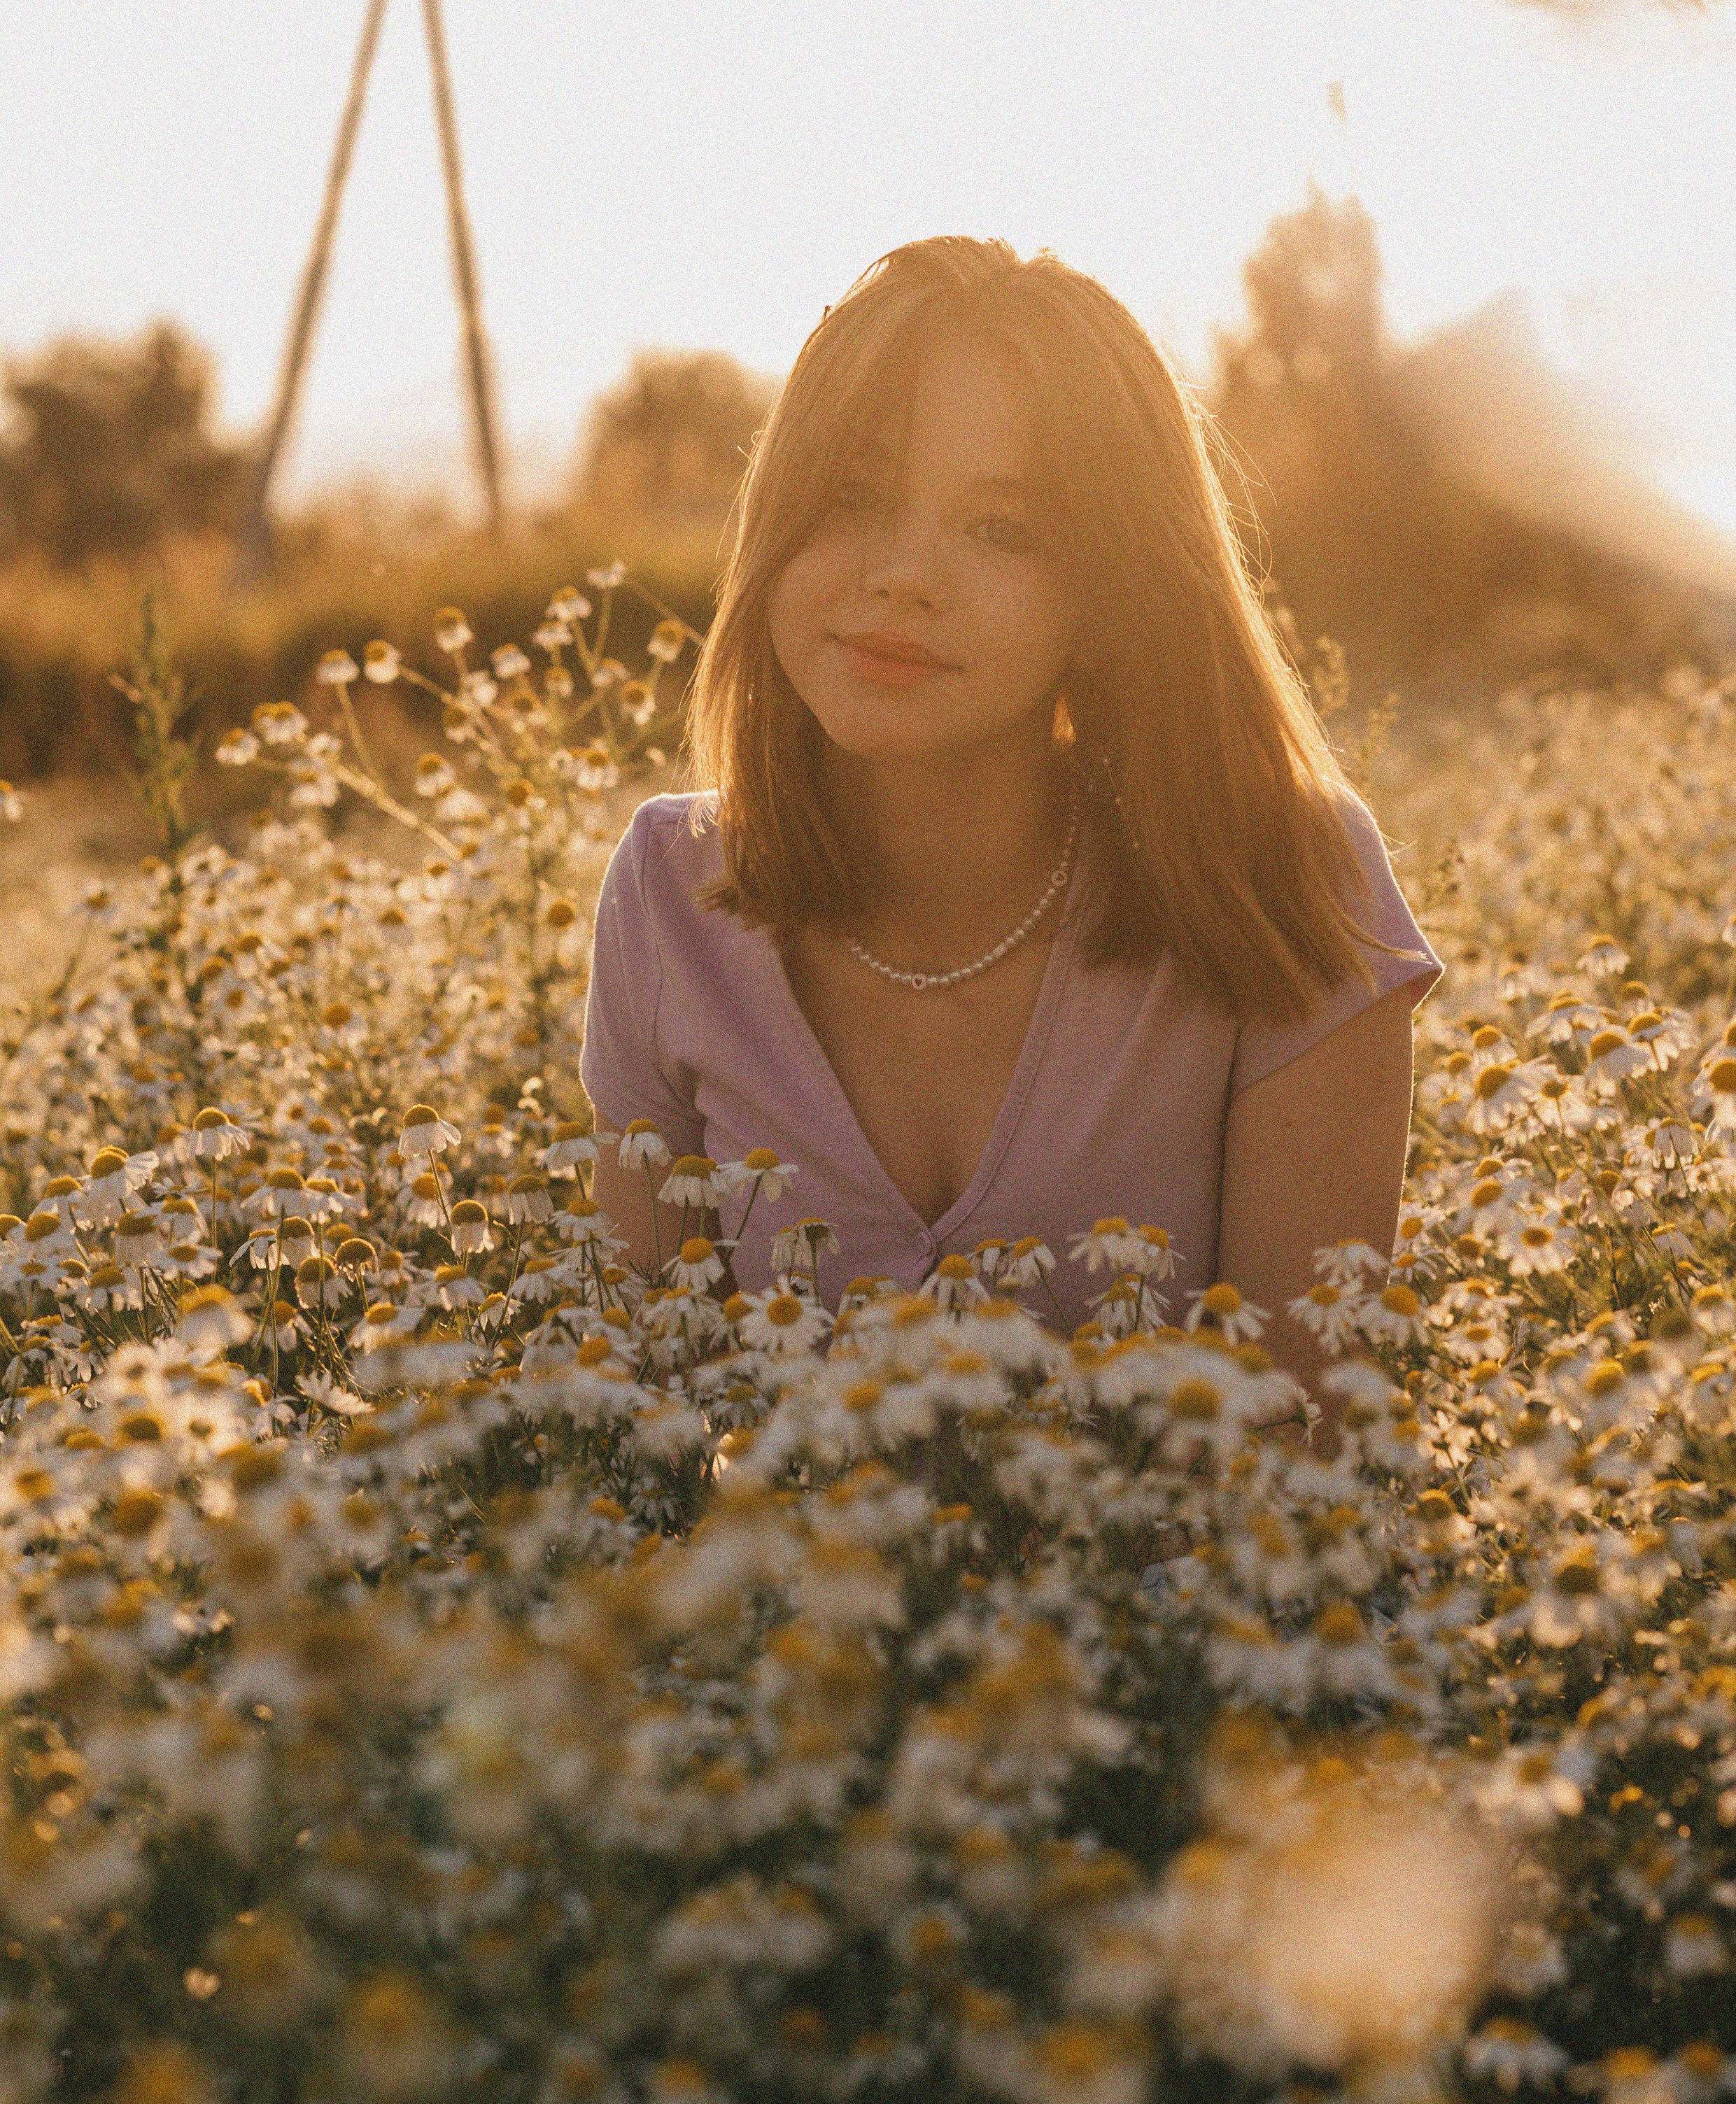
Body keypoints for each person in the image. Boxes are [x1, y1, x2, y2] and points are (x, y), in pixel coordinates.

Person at [578, 234, 1441, 1392]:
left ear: (1111, 587)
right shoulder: (669, 894)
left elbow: (1311, 1451)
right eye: (853, 498)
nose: (903, 576)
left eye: (1000, 529)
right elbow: (642, 1427)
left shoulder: (1288, 880)